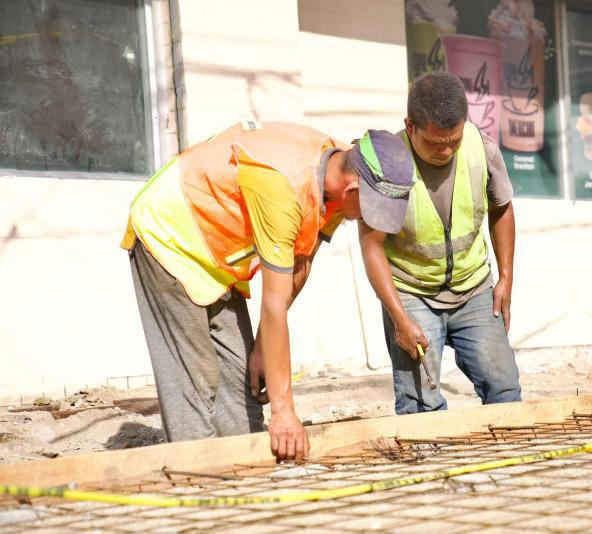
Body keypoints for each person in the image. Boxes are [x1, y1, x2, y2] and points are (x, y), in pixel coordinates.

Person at [122, 120, 414, 460]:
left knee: (240, 379)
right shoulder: (283, 185)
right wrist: (284, 412)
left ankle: (243, 466)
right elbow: (273, 304)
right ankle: (198, 475)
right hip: (169, 234)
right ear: (353, 191)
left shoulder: (339, 169)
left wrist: (262, 344)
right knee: (196, 379)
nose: (371, 222)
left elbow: (301, 262)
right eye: (372, 211)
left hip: (216, 253)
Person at [359, 72, 521, 414]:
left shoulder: (482, 148)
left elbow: (502, 208)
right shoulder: (389, 162)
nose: (446, 150)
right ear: (410, 125)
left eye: (454, 140)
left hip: (474, 288)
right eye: (435, 142)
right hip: (412, 290)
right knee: (422, 403)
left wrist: (505, 276)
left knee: (504, 387)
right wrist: (399, 317)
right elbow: (372, 245)